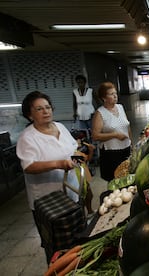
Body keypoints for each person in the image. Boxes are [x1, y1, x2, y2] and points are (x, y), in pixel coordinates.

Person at [16, 91, 85, 260]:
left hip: (71, 193)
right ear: (29, 115)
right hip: (48, 203)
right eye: (39, 109)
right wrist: (58, 164)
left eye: (47, 107)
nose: (46, 111)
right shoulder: (28, 138)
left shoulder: (60, 127)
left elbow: (72, 149)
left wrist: (80, 156)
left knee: (78, 241)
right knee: (57, 250)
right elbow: (28, 166)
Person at [91, 81, 132, 182]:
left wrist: (132, 143)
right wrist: (115, 135)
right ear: (104, 98)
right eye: (111, 94)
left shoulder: (120, 107)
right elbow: (95, 136)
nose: (115, 96)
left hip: (126, 149)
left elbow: (127, 126)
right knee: (114, 181)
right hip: (111, 153)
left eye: (115, 93)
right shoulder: (100, 113)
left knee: (127, 178)